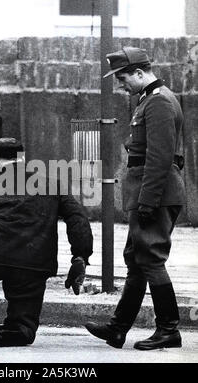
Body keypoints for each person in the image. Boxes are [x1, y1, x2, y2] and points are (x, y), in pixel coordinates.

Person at [0, 138, 93, 347]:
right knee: (24, 324)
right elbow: (78, 219)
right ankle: (17, 328)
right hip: (33, 263)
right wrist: (80, 255)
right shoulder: (53, 184)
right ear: (23, 160)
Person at [85, 47, 186, 350]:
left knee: (151, 259)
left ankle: (169, 330)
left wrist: (148, 201)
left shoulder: (159, 102)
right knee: (137, 260)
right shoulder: (149, 100)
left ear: (140, 74)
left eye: (123, 78)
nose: (121, 85)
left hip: (155, 192)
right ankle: (117, 329)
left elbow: (160, 156)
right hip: (148, 191)